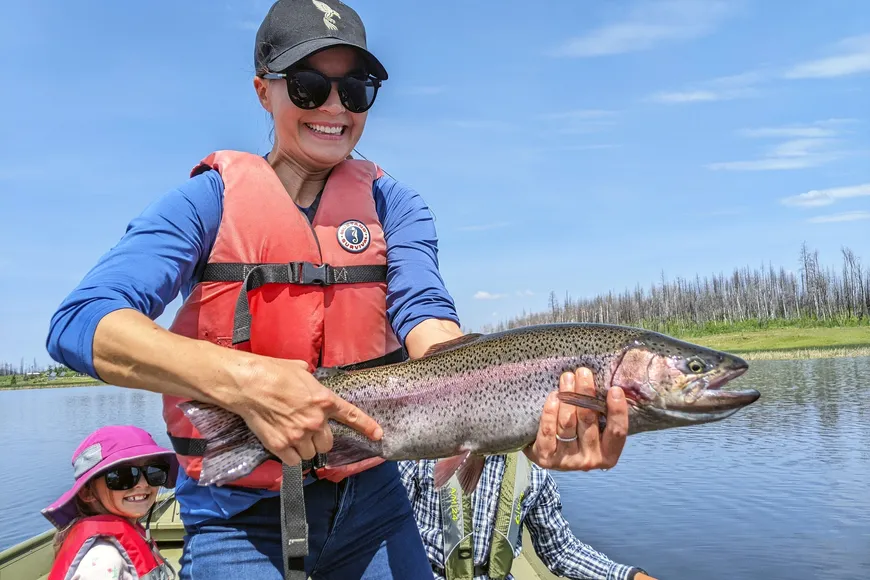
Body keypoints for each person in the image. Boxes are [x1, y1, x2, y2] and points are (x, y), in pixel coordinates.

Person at [45, 1, 630, 578]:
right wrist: (250, 385)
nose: (333, 107)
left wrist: (519, 415)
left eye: (355, 90)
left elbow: (427, 316)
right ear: (262, 91)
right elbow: (80, 322)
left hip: (372, 498)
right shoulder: (205, 202)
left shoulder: (392, 204)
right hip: (237, 515)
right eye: (306, 86)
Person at [399, 452, 656, 580]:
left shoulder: (534, 473)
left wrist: (629, 576)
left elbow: (560, 550)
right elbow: (387, 534)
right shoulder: (423, 454)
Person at [42, 425, 179, 580]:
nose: (142, 483)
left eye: (154, 470)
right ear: (87, 492)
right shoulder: (104, 557)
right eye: (122, 475)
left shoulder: (126, 537)